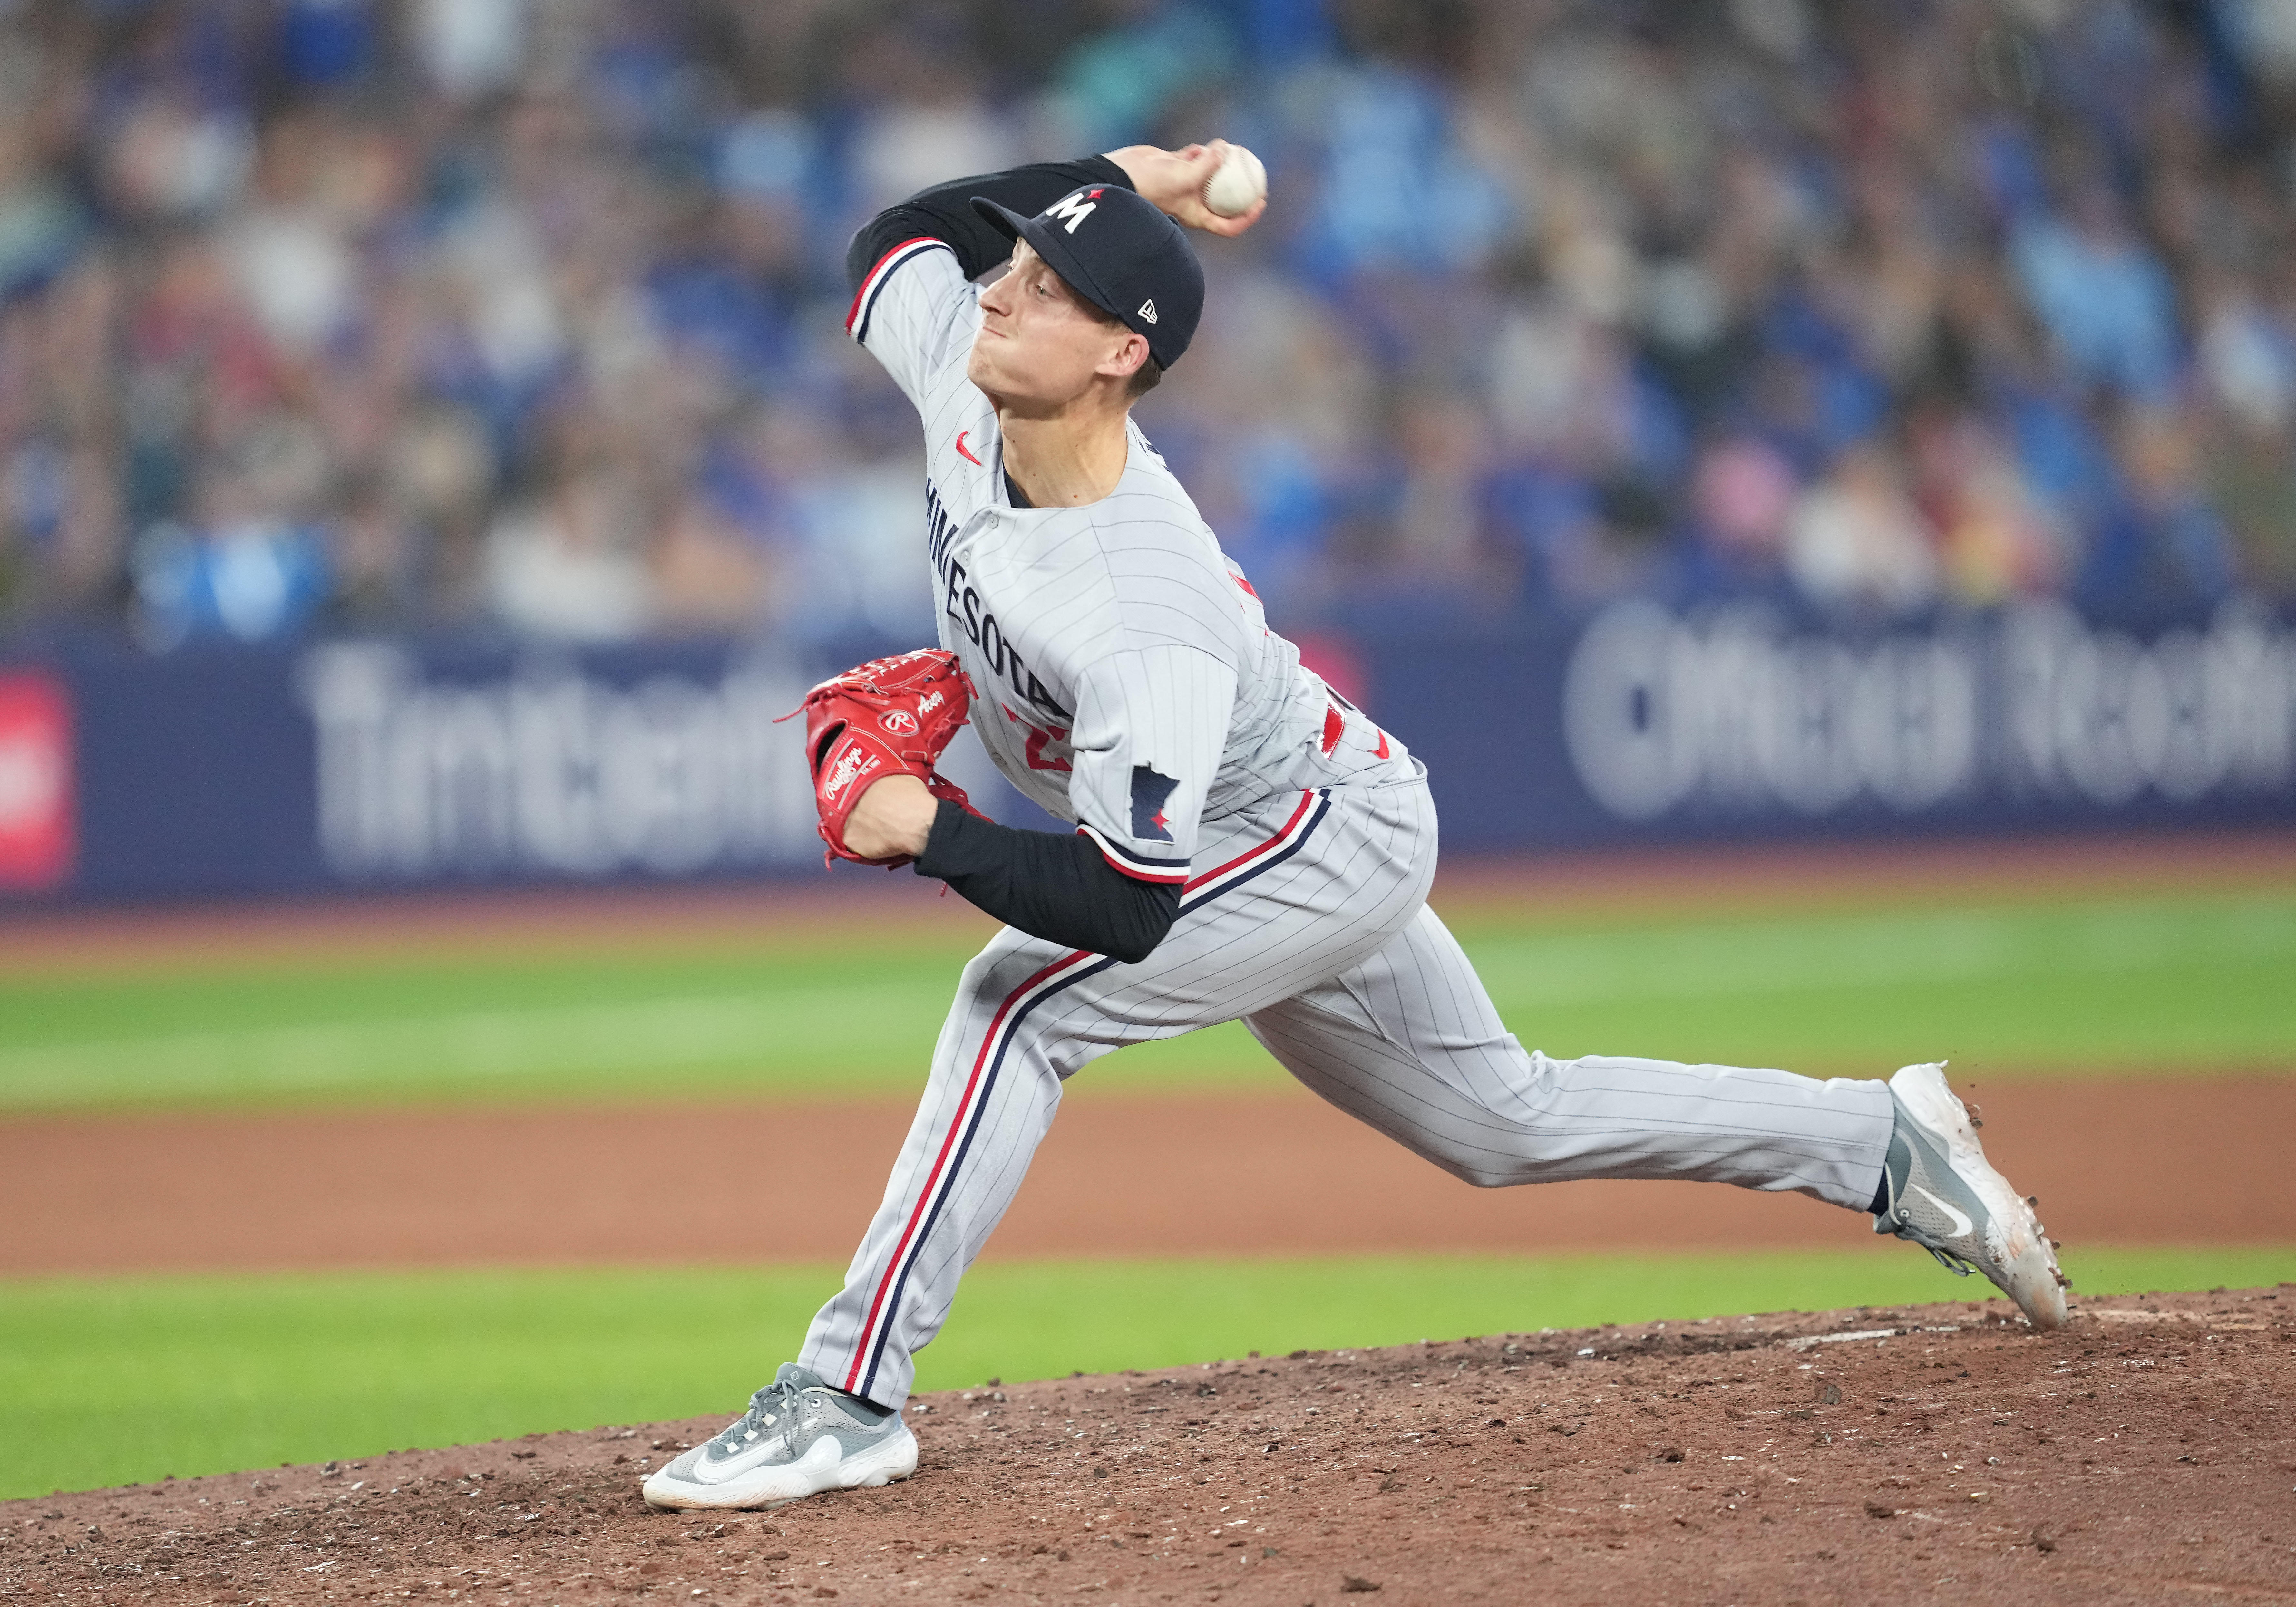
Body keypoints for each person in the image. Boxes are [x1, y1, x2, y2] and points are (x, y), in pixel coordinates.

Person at [639, 142, 2067, 1513]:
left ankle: (847, 1394)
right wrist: (1112, 184)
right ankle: (1883, 1141)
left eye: (1048, 288)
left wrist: (932, 829)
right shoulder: (969, 370)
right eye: (1013, 269)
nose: (999, 291)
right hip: (1280, 817)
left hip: (1313, 836)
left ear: (1117, 357)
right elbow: (891, 239)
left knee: (1017, 998)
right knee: (1501, 1118)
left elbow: (1131, 906)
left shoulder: (1146, 607)